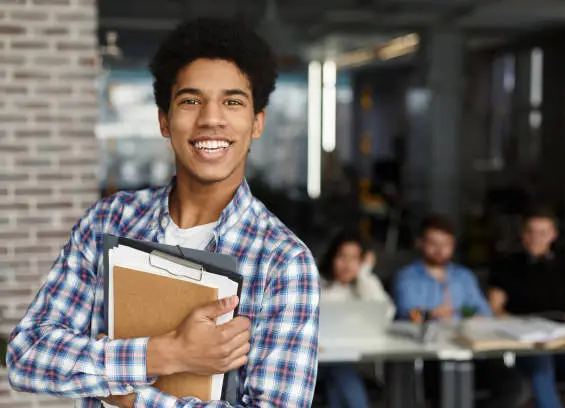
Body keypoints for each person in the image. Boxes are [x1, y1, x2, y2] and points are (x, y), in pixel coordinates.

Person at [7, 17, 320, 408]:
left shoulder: (283, 261)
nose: (210, 118)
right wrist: (168, 353)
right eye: (190, 100)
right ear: (164, 120)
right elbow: (27, 356)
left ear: (257, 123)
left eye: (233, 101)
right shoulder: (107, 222)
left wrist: (133, 398)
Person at [393, 215, 529, 408]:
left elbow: (484, 312)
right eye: (433, 243)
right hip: (430, 358)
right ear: (419, 243)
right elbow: (408, 314)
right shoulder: (407, 278)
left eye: (446, 244)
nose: (440, 250)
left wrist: (475, 316)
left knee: (515, 387)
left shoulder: (463, 276)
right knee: (449, 389)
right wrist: (431, 314)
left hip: (470, 352)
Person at [488, 206, 565, 408]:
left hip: (563, 337)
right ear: (523, 234)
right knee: (541, 373)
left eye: (543, 232)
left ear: (553, 235)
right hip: (528, 341)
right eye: (531, 232)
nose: (536, 238)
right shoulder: (505, 266)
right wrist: (513, 325)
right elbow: (494, 308)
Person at [318, 231, 395, 408]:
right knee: (341, 372)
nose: (347, 265)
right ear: (331, 258)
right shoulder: (319, 284)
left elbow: (386, 313)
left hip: (360, 359)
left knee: (338, 381)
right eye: (342, 257)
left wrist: (364, 274)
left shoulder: (366, 283)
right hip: (324, 360)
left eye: (354, 259)